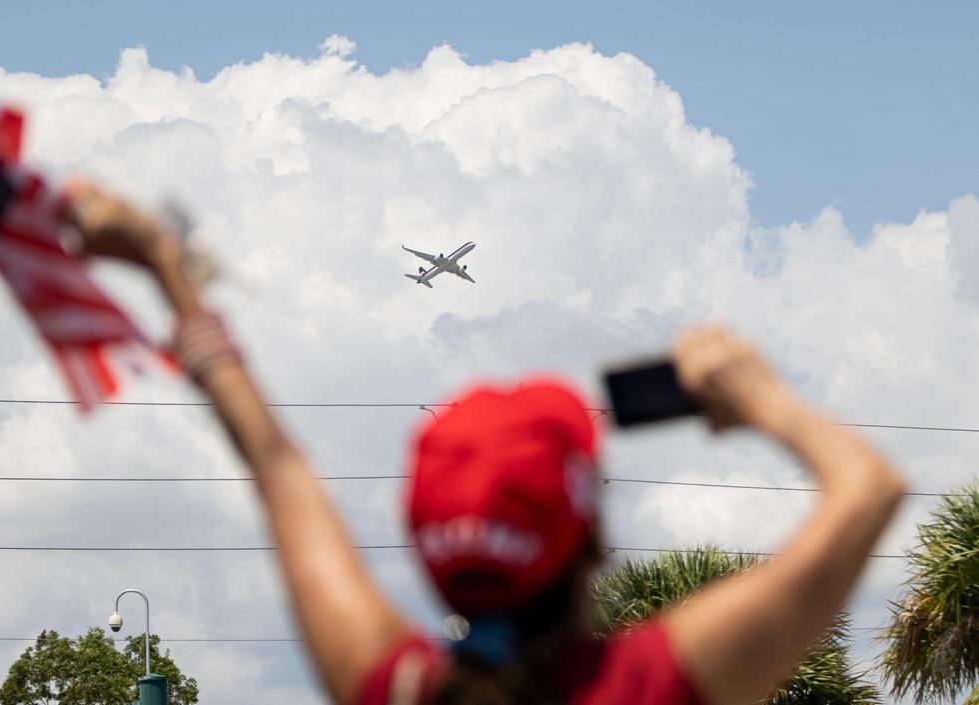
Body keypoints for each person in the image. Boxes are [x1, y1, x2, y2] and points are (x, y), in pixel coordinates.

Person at [65, 180, 907, 705]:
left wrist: (162, 264)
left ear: (428, 547)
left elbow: (279, 467)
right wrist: (758, 398)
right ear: (591, 537)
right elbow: (867, 488)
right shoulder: (642, 685)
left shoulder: (392, 683)